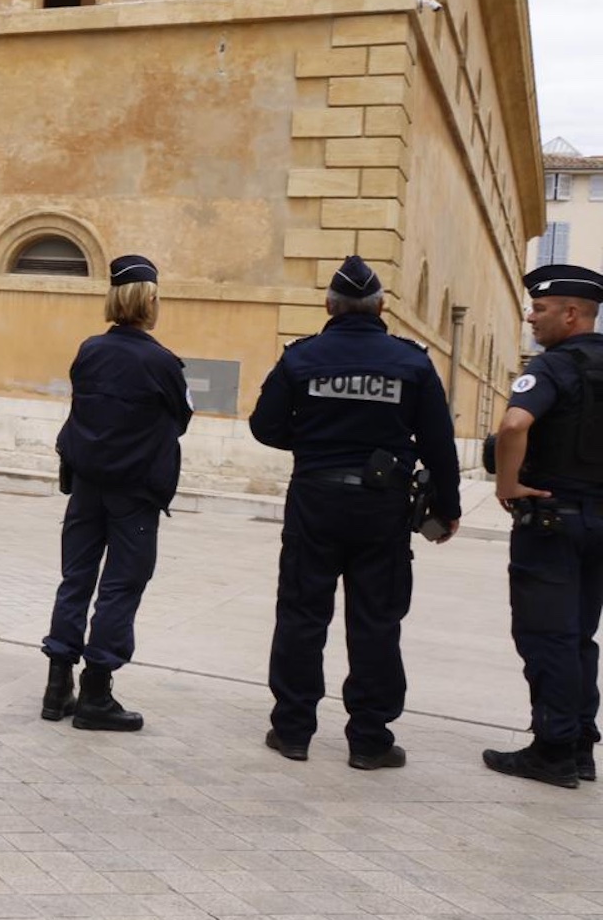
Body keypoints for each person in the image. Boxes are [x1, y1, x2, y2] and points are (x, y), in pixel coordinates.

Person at [249, 254, 460, 770]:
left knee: (302, 615)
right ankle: (369, 740)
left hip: (315, 501)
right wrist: (448, 508)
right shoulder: (411, 363)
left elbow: (264, 426)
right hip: (381, 509)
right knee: (376, 622)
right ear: (381, 307)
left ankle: (293, 730)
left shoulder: (301, 358)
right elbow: (439, 443)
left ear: (329, 305)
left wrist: (315, 442)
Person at [40, 254, 193, 731]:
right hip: (134, 493)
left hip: (86, 485)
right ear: (149, 300)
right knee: (121, 586)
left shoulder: (89, 350)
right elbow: (182, 419)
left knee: (76, 578)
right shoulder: (163, 362)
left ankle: (56, 685)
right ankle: (96, 694)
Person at [484, 263, 603, 788]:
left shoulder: (555, 366)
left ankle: (551, 750)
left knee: (546, 635)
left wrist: (507, 484)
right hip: (599, 523)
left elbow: (514, 424)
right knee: (580, 634)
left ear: (572, 314)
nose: (531, 318)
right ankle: (580, 744)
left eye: (540, 309)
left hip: (553, 520)